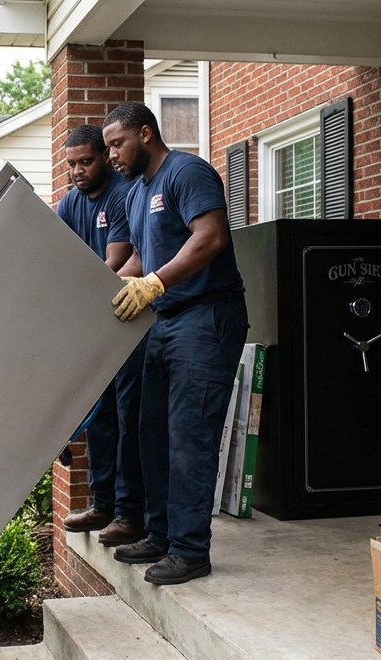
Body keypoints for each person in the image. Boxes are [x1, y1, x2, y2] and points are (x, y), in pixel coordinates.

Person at [102, 102, 248, 585]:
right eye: (108, 148)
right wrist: (100, 295)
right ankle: (162, 535)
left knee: (190, 436)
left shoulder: (188, 172)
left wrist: (155, 284)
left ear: (146, 134)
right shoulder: (138, 191)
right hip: (164, 321)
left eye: (117, 144)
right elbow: (142, 258)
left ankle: (190, 550)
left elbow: (210, 239)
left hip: (206, 317)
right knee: (153, 431)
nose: (112, 157)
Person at [53, 124, 148, 548]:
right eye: (71, 163)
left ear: (103, 159)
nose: (77, 170)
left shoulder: (122, 195)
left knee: (129, 417)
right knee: (102, 417)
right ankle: (103, 503)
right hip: (94, 323)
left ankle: (130, 512)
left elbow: (118, 261)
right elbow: (55, 256)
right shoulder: (69, 203)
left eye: (86, 162)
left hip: (126, 322)